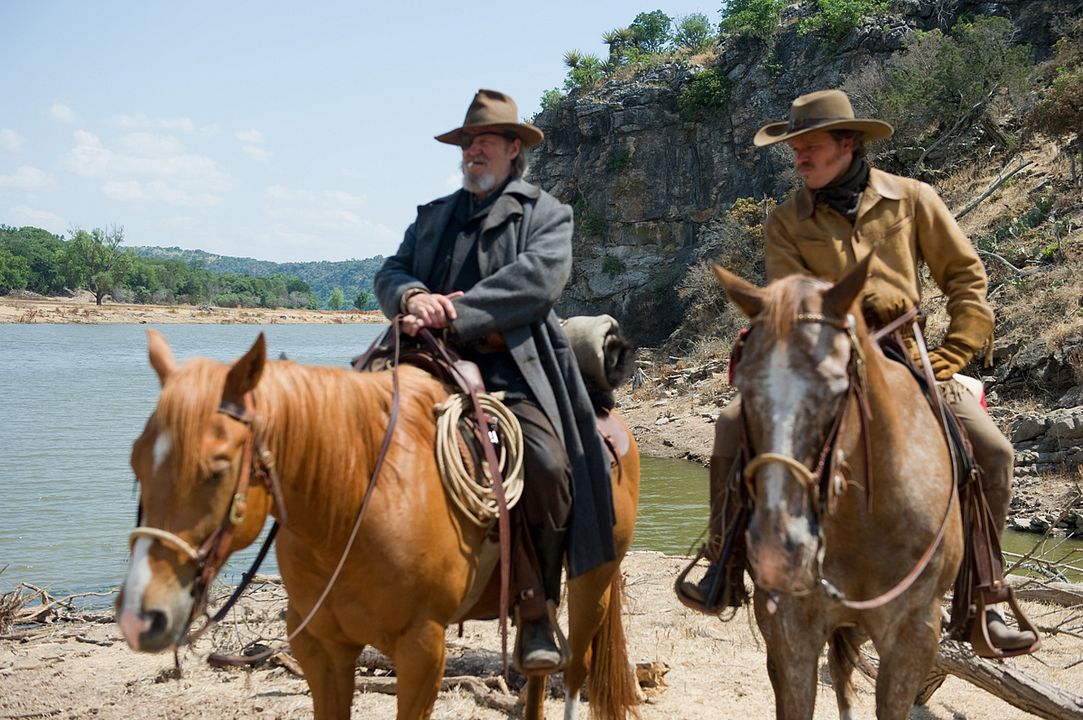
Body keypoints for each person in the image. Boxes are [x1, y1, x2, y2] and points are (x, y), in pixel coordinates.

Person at [678, 89, 1037, 654]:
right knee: (731, 422)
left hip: (906, 355)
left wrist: (958, 348)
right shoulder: (785, 221)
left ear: (847, 144)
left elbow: (965, 277)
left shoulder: (913, 199)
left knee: (992, 451)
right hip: (820, 356)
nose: (799, 159)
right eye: (794, 150)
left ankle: (982, 597)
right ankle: (722, 561)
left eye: (811, 147)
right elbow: (790, 301)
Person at [373, 89, 616, 672]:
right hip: (425, 359)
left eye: (483, 142)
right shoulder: (432, 217)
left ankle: (538, 611)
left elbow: (536, 282)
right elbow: (392, 270)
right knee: (347, 432)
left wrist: (456, 311)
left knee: (549, 465)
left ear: (514, 150)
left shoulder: (547, 215)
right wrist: (414, 296)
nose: (472, 151)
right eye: (466, 143)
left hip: (515, 365)